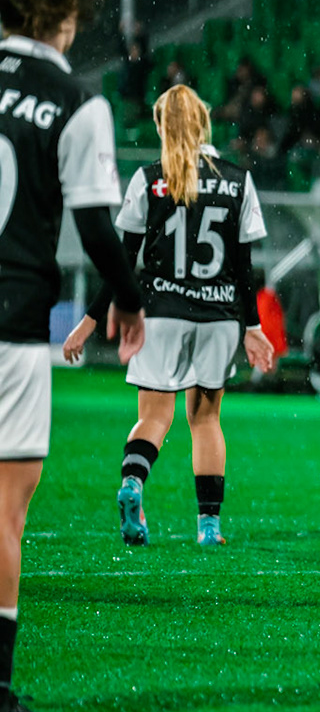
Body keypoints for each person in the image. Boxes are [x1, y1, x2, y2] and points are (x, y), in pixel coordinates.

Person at [0, 0, 148, 712]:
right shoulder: (73, 100)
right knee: (5, 511)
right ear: (58, 14)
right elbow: (96, 222)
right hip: (12, 329)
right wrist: (127, 300)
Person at [63, 83, 276, 547]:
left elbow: (123, 260)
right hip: (218, 316)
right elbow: (243, 266)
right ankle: (208, 526)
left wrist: (91, 320)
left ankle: (133, 484)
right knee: (205, 420)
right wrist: (253, 328)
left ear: (161, 127)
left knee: (154, 418)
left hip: (161, 313)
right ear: (204, 122)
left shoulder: (149, 178)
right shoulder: (237, 179)